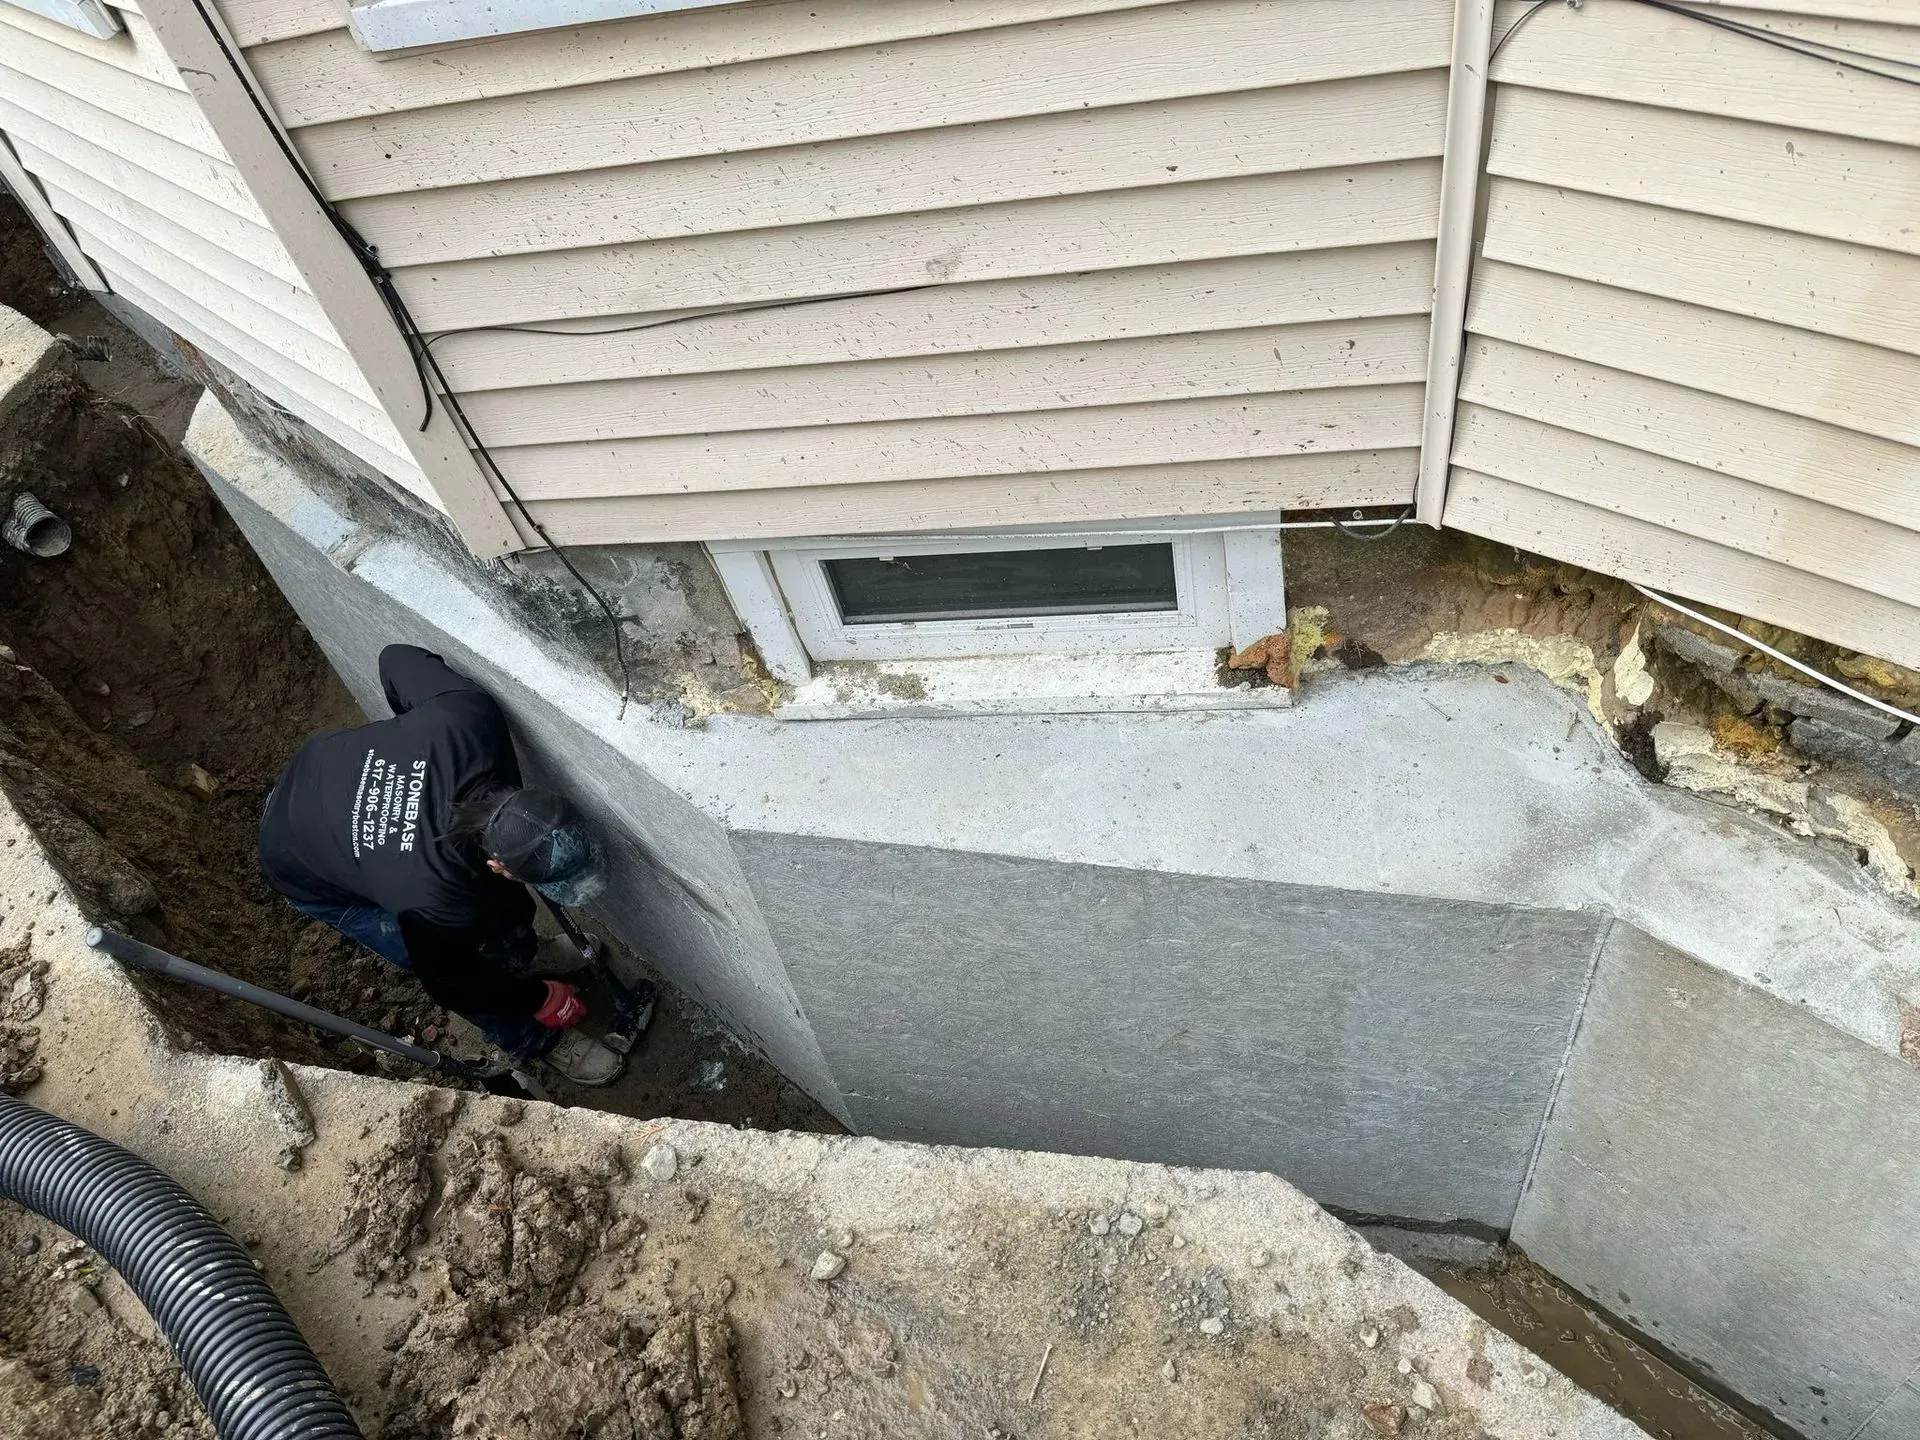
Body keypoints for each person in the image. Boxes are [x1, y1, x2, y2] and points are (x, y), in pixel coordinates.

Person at [257, 643, 633, 1085]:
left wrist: (410, 743)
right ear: (497, 862)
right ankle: (536, 1040)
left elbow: (395, 657)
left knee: (490, 905)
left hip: (322, 769)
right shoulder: (430, 897)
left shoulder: (468, 716)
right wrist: (535, 999)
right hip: (296, 856)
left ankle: (524, 954)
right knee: (440, 957)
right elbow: (453, 986)